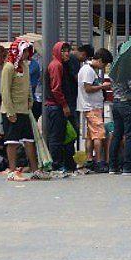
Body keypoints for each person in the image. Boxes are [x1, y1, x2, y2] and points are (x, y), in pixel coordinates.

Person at [0, 38, 40, 181]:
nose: (27, 54)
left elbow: (28, 85)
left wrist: (30, 100)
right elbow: (5, 91)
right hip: (11, 111)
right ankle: (12, 172)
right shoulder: (9, 67)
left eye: (28, 51)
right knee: (12, 142)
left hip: (24, 110)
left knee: (29, 140)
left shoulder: (26, 66)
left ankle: (35, 170)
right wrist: (10, 112)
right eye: (25, 51)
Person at [76, 45, 112, 173]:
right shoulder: (88, 70)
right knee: (98, 135)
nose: (104, 67)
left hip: (90, 106)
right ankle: (98, 161)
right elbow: (88, 88)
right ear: (100, 60)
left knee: (91, 135)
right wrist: (103, 86)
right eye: (105, 63)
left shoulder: (89, 69)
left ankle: (90, 159)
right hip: (92, 107)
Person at [44, 41, 77, 174]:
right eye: (63, 51)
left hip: (59, 106)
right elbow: (56, 89)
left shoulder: (63, 65)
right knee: (56, 137)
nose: (66, 53)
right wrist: (64, 105)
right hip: (56, 106)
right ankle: (56, 165)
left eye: (67, 50)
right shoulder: (56, 65)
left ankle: (65, 163)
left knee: (66, 135)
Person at [109, 41, 131, 175]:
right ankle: (128, 166)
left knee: (117, 134)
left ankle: (113, 166)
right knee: (130, 135)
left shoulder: (115, 65)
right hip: (128, 103)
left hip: (116, 102)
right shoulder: (127, 66)